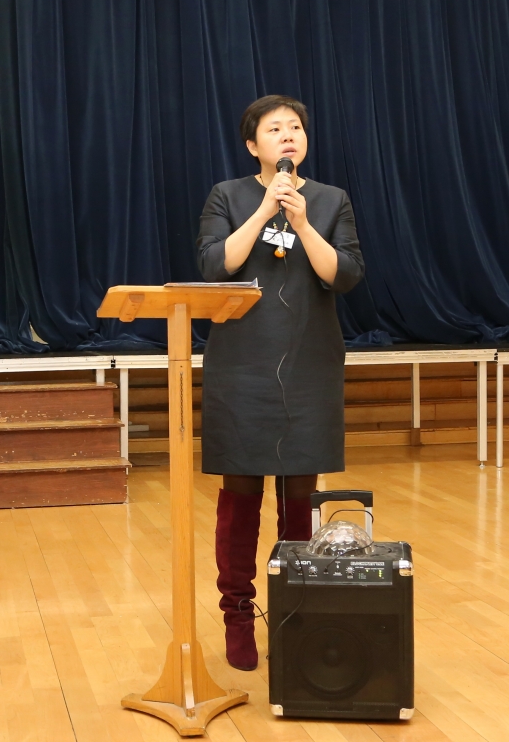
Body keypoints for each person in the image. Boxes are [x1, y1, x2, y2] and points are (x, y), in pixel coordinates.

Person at [196, 95, 365, 671]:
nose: (288, 135)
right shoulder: (227, 195)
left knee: (299, 503)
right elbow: (215, 266)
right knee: (240, 499)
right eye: (274, 129)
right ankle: (238, 616)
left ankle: (295, 615)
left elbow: (344, 275)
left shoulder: (330, 200)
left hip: (309, 367)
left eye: (295, 127)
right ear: (253, 145)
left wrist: (300, 223)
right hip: (241, 367)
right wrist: (265, 209)